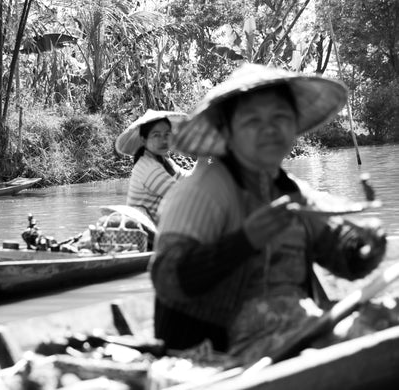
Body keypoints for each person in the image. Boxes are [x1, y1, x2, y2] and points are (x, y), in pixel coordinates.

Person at [150, 64, 387, 362]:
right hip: (217, 350)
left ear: (294, 124)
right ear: (228, 133)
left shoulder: (291, 190)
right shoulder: (202, 191)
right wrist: (245, 240)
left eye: (280, 117)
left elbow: (339, 254)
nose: (270, 129)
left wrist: (365, 248)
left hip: (294, 326)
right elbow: (168, 279)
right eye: (252, 120)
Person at [115, 109, 192, 224]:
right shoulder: (148, 166)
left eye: (167, 134)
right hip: (146, 233)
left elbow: (188, 178)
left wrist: (208, 158)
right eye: (156, 135)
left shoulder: (164, 161)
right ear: (143, 140)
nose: (164, 140)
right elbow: (182, 196)